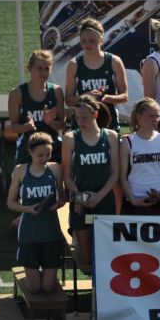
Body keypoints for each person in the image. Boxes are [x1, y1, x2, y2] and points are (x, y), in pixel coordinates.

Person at [61, 95, 119, 267]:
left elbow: (115, 173)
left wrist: (99, 196)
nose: (80, 121)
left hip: (104, 201)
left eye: (84, 117)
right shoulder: (70, 138)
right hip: (81, 202)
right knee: (86, 260)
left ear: (95, 114)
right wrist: (79, 197)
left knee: (105, 255)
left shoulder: (110, 136)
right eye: (77, 117)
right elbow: (67, 175)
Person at [7, 132, 65, 293]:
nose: (44, 158)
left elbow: (62, 196)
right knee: (35, 288)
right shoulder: (20, 171)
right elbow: (10, 202)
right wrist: (28, 209)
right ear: (30, 152)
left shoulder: (54, 168)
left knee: (47, 288)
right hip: (29, 232)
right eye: (40, 155)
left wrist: (59, 204)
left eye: (48, 154)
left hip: (51, 231)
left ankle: (44, 274)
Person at [65, 18, 128, 132]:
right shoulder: (74, 64)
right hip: (82, 124)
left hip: (108, 122)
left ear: (101, 40)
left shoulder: (114, 61)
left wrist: (105, 98)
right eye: (83, 41)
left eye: (92, 41)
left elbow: (124, 97)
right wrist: (87, 97)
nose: (87, 44)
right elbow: (69, 100)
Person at [119, 97, 160, 215]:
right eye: (151, 116)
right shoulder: (128, 142)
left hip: (159, 204)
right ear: (138, 117)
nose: (155, 119)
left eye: (157, 116)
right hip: (135, 203)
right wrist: (133, 200)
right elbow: (122, 177)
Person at [9, 49, 64, 164]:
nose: (43, 72)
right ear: (30, 68)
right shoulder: (16, 94)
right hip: (28, 149)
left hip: (52, 150)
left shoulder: (56, 91)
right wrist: (27, 126)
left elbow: (62, 125)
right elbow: (14, 127)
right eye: (39, 68)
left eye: (46, 69)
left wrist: (50, 123)